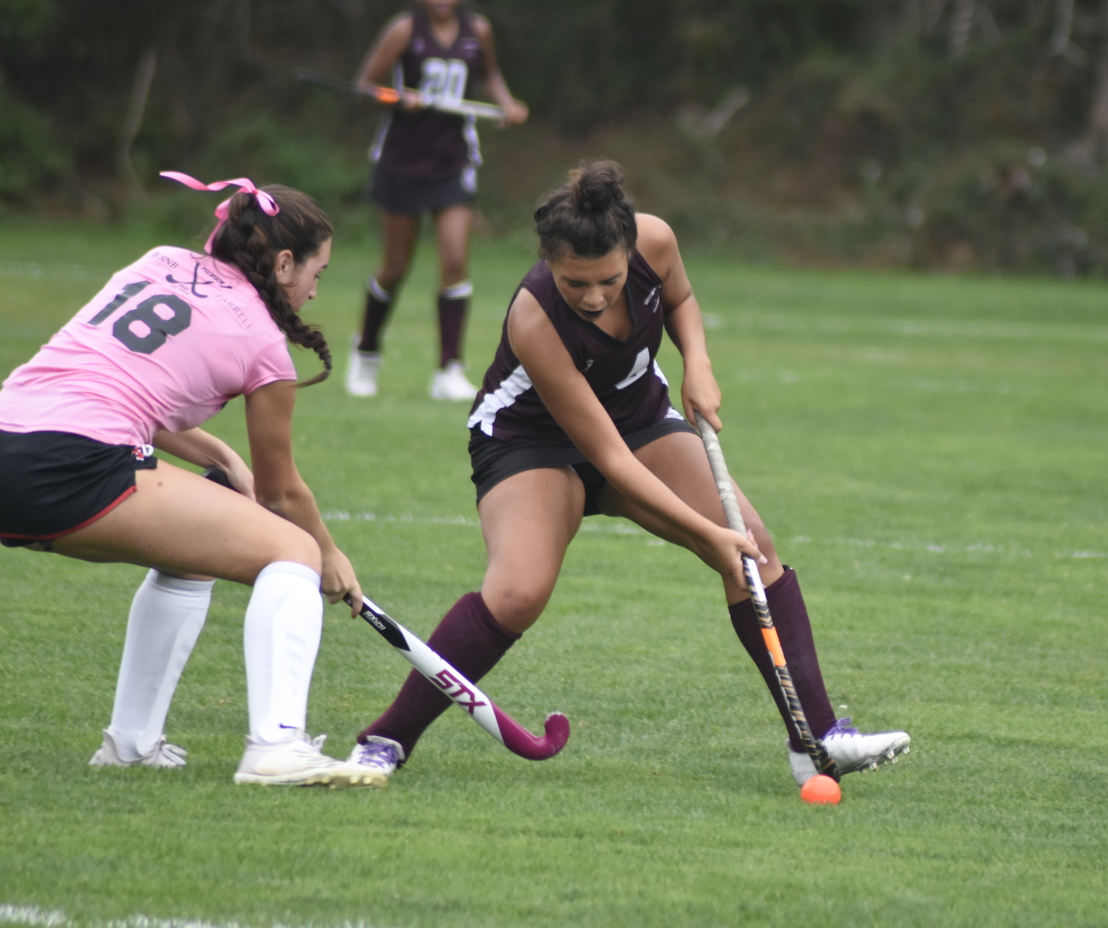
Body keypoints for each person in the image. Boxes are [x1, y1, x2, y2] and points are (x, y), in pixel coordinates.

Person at [345, 162, 910, 787]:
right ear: (548, 262)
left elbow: (682, 300)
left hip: (638, 418)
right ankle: (388, 737)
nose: (592, 296)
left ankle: (817, 739)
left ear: (629, 253)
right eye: (574, 282)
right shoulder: (535, 319)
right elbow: (610, 461)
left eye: (608, 280)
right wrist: (704, 531)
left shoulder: (657, 242)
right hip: (531, 443)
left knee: (752, 547)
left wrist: (697, 361)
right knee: (518, 593)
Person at [0, 172, 384, 789]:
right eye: (317, 275)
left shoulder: (159, 261)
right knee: (290, 551)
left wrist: (220, 452)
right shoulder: (264, 344)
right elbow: (281, 496)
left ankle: (130, 744)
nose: (315, 294)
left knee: (194, 556)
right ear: (286, 262)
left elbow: (126, 384)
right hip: (72, 460)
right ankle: (277, 748)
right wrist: (327, 551)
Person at [345, 0, 529, 402]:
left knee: (454, 260)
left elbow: (489, 76)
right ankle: (366, 353)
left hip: (452, 161)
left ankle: (449, 369)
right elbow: (364, 85)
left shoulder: (478, 31)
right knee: (395, 267)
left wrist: (506, 103)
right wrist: (394, 97)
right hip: (402, 161)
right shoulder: (404, 30)